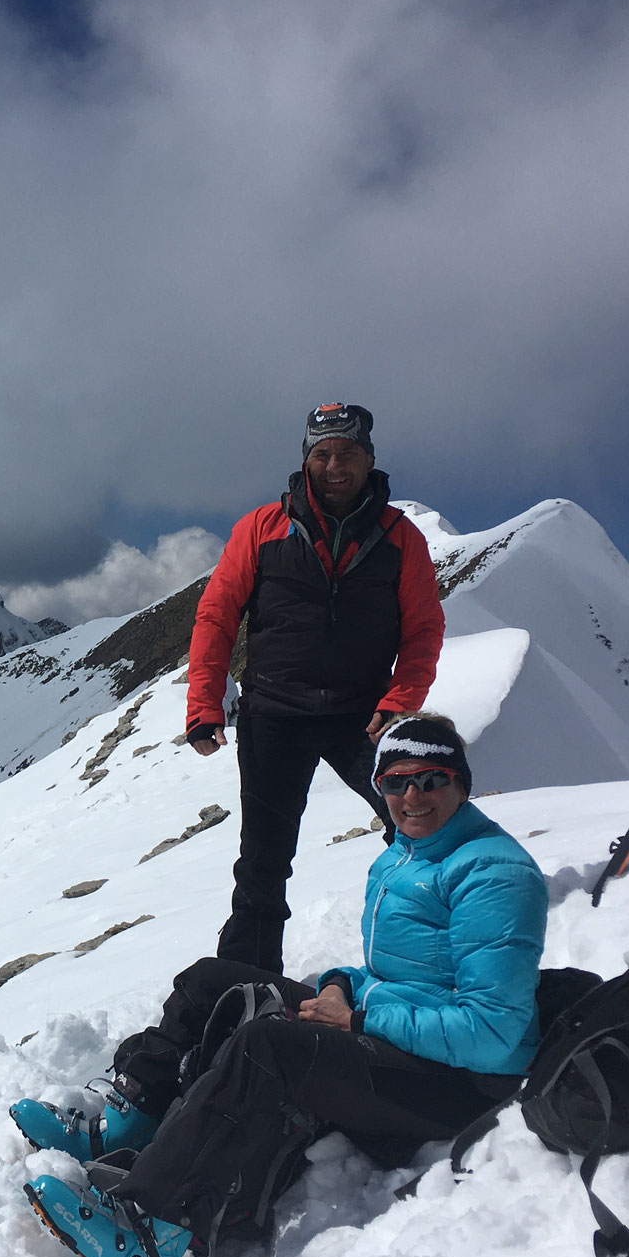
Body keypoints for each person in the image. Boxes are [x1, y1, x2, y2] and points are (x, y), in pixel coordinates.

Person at [12, 714, 546, 1257]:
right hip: (398, 1033)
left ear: (461, 783)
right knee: (211, 980)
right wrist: (342, 986)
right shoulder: (406, 855)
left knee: (268, 1050)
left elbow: (493, 1032)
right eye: (395, 782)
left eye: (430, 779)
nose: (411, 797)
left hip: (457, 1084)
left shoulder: (492, 873)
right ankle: (133, 1123)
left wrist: (360, 1019)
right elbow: (402, 974)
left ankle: (148, 1232)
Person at [186, 402, 445, 974]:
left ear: (369, 459)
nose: (334, 466)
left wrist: (401, 701)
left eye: (347, 454)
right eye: (322, 454)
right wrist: (204, 704)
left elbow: (424, 628)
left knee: (417, 824)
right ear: (306, 460)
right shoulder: (261, 528)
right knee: (263, 861)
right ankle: (246, 986)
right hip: (274, 714)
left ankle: (434, 949)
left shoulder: (402, 538)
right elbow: (217, 617)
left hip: (365, 715)